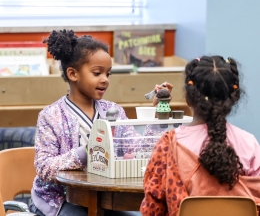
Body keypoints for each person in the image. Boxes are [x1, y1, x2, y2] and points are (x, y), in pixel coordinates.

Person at [29, 29, 173, 216]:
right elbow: (44, 167)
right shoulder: (50, 116)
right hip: (58, 200)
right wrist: (88, 152)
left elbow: (138, 148)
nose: (105, 80)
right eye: (97, 73)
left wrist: (157, 113)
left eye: (108, 74)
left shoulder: (113, 111)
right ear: (73, 74)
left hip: (104, 197)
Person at [140, 55, 260, 216]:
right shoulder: (249, 143)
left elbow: (152, 210)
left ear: (189, 98)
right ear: (233, 98)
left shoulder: (169, 145)